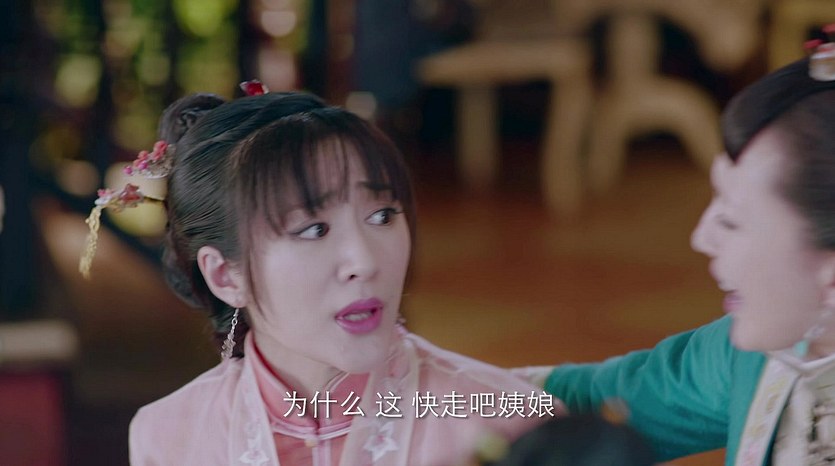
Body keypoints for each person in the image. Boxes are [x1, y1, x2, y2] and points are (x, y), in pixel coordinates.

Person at [79, 83, 557, 465]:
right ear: (225, 276)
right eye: (314, 229)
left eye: (382, 216)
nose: (365, 261)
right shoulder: (169, 435)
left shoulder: (504, 420)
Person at [516, 39, 835, 466]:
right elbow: (586, 401)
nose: (701, 237)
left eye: (731, 220)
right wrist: (436, 392)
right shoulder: (762, 352)